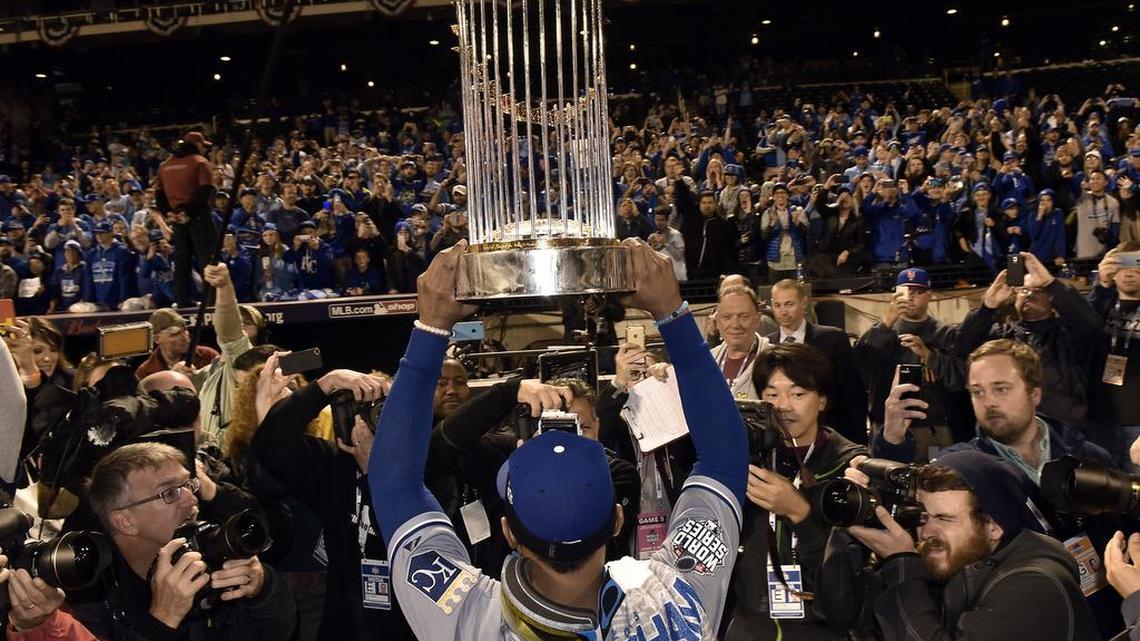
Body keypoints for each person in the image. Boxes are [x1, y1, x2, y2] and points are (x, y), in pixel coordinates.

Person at [371, 238, 748, 640]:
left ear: (509, 534)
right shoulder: (675, 608)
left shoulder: (469, 619)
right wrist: (672, 312)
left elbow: (393, 482)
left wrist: (430, 328)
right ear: (618, 521)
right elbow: (724, 461)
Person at [845, 450, 1101, 641]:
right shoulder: (962, 559)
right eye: (923, 516)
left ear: (993, 526)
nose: (926, 531)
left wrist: (900, 564)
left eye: (945, 519)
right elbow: (848, 614)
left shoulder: (1037, 583)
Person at [251, 357, 417, 641]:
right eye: (367, 410)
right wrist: (326, 385)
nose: (379, 419)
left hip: (415, 625)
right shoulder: (334, 466)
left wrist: (374, 472)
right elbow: (272, 444)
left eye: (386, 408)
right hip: (348, 623)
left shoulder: (426, 464)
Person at [73, 442, 297, 640]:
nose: (191, 499)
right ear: (125, 521)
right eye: (169, 493)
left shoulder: (206, 552)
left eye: (189, 485)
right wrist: (163, 619)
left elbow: (274, 633)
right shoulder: (89, 596)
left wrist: (262, 589)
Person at [725, 343, 867, 641]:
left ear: (823, 400)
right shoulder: (745, 460)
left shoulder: (850, 467)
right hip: (749, 627)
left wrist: (800, 513)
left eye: (798, 393)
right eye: (772, 395)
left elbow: (854, 576)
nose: (784, 406)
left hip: (822, 631)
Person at [955, 253, 1102, 429]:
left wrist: (1052, 284)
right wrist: (987, 307)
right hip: (1010, 428)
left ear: (1052, 299)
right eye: (1023, 290)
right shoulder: (1001, 334)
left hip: (1063, 430)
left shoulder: (1067, 333)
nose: (1029, 294)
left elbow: (1091, 324)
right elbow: (963, 347)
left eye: (1038, 290)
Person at [855, 267, 963, 459]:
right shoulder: (883, 332)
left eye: (918, 291)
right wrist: (887, 321)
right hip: (889, 426)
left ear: (929, 295)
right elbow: (860, 363)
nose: (911, 297)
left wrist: (928, 355)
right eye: (905, 292)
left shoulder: (945, 333)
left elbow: (957, 380)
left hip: (933, 427)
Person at [768, 279, 867, 443]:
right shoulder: (767, 346)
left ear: (804, 302)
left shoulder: (833, 339)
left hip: (830, 439)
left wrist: (857, 446)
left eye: (789, 304)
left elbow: (853, 397)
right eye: (777, 305)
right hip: (783, 441)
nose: (783, 311)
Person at [1089, 243, 1140, 471]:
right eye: (1124, 264)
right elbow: (1084, 325)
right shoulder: (1102, 305)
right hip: (1100, 424)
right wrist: (1101, 284)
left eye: (1138, 266)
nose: (1130, 272)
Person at [155, 131, 217, 307]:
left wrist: (169, 213)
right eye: (203, 145)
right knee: (208, 258)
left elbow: (159, 195)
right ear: (196, 145)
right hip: (197, 217)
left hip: (176, 219)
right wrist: (188, 212)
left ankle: (182, 300)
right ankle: (211, 301)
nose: (204, 149)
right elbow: (205, 190)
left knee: (182, 259)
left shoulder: (164, 166)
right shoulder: (200, 163)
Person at [712, 284, 772, 399]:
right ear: (718, 321)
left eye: (743, 317)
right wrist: (668, 372)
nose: (735, 325)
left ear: (758, 320)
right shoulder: (707, 360)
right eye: (727, 317)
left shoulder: (776, 361)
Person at [134, 308, 220, 381]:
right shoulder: (145, 372)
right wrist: (171, 378)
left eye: (185, 329)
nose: (185, 337)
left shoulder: (208, 356)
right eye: (175, 334)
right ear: (157, 339)